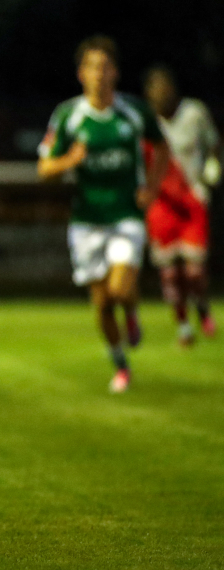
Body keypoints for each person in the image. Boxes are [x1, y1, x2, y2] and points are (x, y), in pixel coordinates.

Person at [38, 35, 169, 393]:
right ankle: (121, 364)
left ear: (116, 73)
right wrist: (69, 160)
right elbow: (44, 168)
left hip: (126, 216)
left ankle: (132, 310)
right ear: (81, 73)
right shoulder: (69, 116)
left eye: (105, 67)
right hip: (86, 221)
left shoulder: (133, 112)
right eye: (93, 67)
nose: (99, 74)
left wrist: (152, 188)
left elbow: (162, 147)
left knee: (119, 287)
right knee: (102, 304)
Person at [143, 66, 218, 345]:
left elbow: (213, 144)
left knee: (194, 270)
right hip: (162, 204)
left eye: (165, 89)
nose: (161, 95)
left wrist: (212, 168)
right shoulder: (147, 122)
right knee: (170, 273)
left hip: (192, 199)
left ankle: (202, 306)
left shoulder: (194, 113)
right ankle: (183, 324)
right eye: (155, 91)